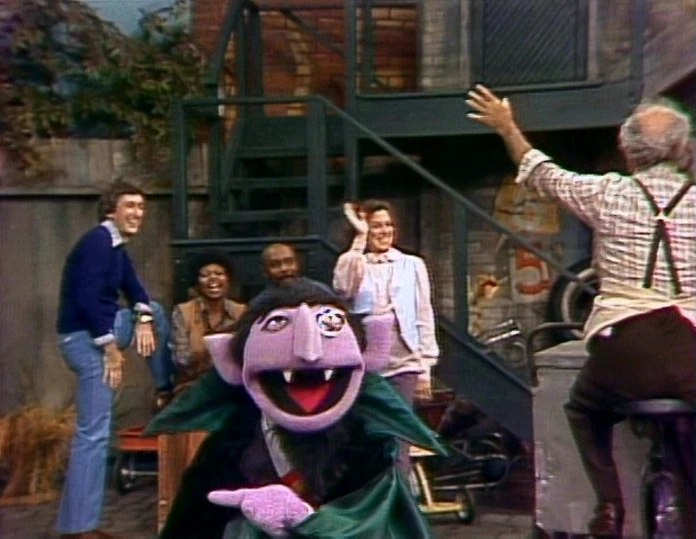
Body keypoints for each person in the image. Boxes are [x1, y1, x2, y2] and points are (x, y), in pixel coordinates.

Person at [467, 84, 696, 536]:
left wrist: (507, 126)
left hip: (625, 346)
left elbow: (541, 171)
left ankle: (609, 506)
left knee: (584, 409)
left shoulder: (607, 193)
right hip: (690, 347)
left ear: (628, 151)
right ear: (680, 150)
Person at [146, 287, 445, 539]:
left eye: (329, 323)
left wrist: (306, 519)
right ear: (231, 363)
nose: (309, 352)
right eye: (276, 324)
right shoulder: (229, 446)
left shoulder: (368, 444)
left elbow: (382, 523)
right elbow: (192, 525)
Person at [55, 181, 173, 539]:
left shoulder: (116, 248)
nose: (138, 213)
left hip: (99, 333)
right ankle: (79, 530)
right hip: (86, 340)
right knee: (93, 433)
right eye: (130, 206)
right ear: (111, 210)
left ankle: (164, 388)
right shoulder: (98, 242)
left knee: (154, 312)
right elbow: (87, 299)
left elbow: (136, 291)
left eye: (141, 207)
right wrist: (110, 349)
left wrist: (143, 320)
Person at [333, 199, 439, 476]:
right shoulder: (355, 262)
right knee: (369, 438)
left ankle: (400, 496)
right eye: (376, 226)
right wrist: (359, 238)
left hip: (404, 364)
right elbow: (343, 289)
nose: (384, 231)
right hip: (367, 367)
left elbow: (423, 314)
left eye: (388, 225)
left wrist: (425, 367)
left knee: (398, 439)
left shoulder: (412, 264)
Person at [170, 249, 246, 390]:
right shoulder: (183, 311)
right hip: (193, 384)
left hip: (233, 384)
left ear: (228, 280)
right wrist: (211, 345)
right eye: (205, 275)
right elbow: (181, 360)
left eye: (219, 274)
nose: (213, 279)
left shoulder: (241, 312)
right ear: (197, 283)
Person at [248, 242, 335, 309]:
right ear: (265, 272)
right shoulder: (258, 304)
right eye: (275, 265)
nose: (284, 268)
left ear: (297, 264)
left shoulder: (320, 290)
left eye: (289, 262)